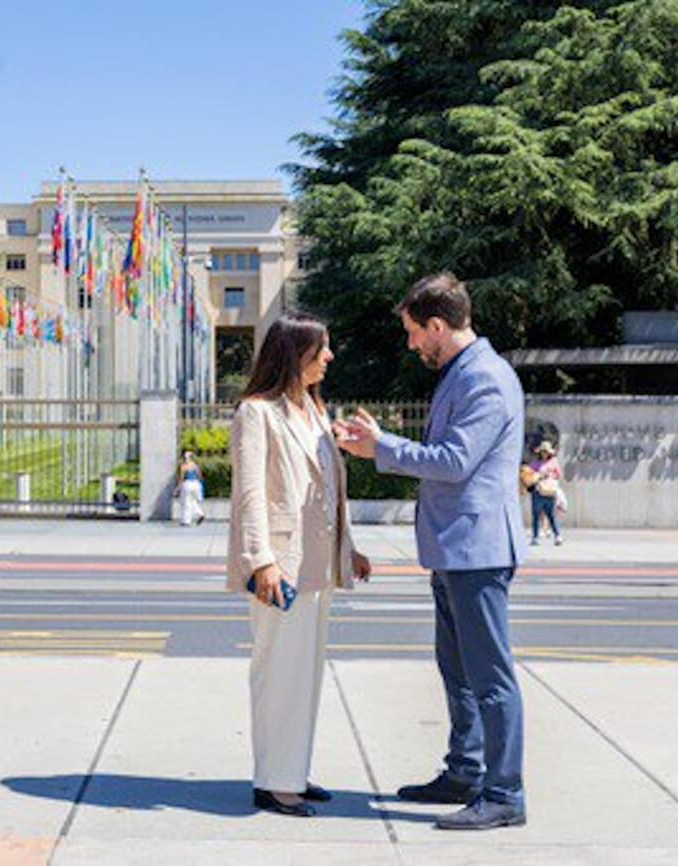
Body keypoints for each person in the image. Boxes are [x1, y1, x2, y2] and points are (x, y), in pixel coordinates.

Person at [336, 272, 528, 830]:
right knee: (457, 669)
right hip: (455, 549)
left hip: (478, 550)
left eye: (415, 333)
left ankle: (505, 792)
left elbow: (454, 461)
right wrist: (382, 441)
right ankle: (465, 772)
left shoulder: (486, 378)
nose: (412, 344)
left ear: (439, 326)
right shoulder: (460, 373)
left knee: (490, 676)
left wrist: (382, 447)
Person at [227, 312, 372, 818]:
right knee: (278, 672)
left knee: (306, 673)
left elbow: (330, 488)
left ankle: (293, 770)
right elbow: (249, 495)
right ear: (295, 353)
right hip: (281, 566)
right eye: (322, 348)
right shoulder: (257, 412)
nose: (330, 357)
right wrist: (261, 561)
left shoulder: (313, 409)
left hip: (318, 563)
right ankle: (272, 782)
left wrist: (349, 548)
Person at [527, 441, 563, 546]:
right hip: (538, 491)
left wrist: (550, 475)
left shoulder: (553, 462)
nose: (545, 454)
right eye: (543, 452)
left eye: (546, 452)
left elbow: (558, 475)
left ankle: (557, 535)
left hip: (549, 492)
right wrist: (538, 476)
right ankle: (535, 537)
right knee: (536, 515)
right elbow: (530, 474)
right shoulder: (535, 462)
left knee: (551, 515)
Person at [176, 451, 205, 526]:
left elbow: (181, 478)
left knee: (186, 502)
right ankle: (200, 514)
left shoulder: (184, 466)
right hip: (196, 484)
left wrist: (178, 488)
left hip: (187, 484)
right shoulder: (195, 465)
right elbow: (199, 476)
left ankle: (186, 521)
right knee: (193, 501)